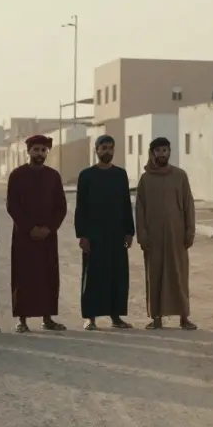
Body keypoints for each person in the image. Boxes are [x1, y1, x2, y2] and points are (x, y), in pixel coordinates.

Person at [134, 137, 198, 330]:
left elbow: (188, 204)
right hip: (153, 238)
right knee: (155, 276)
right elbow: (140, 209)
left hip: (176, 235)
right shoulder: (145, 179)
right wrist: (142, 235)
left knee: (179, 275)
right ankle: (156, 318)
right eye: (158, 151)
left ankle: (184, 317)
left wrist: (189, 231)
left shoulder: (180, 176)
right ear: (152, 153)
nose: (162, 154)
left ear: (169, 152)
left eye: (165, 150)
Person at [7, 134, 68, 333]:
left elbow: (61, 207)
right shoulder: (17, 175)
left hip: (48, 237)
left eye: (43, 150)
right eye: (36, 150)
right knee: (23, 276)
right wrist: (29, 228)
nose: (40, 153)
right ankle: (22, 320)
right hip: (24, 236)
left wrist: (48, 228)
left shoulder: (53, 176)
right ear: (28, 151)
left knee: (48, 275)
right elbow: (12, 206)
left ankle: (48, 318)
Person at [74, 134, 134, 330]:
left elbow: (126, 204)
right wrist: (82, 235)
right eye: (103, 148)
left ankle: (116, 317)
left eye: (110, 148)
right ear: (96, 150)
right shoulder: (86, 175)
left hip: (116, 234)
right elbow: (80, 207)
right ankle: (90, 318)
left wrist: (129, 232)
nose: (107, 151)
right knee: (92, 276)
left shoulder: (120, 174)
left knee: (117, 275)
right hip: (94, 235)